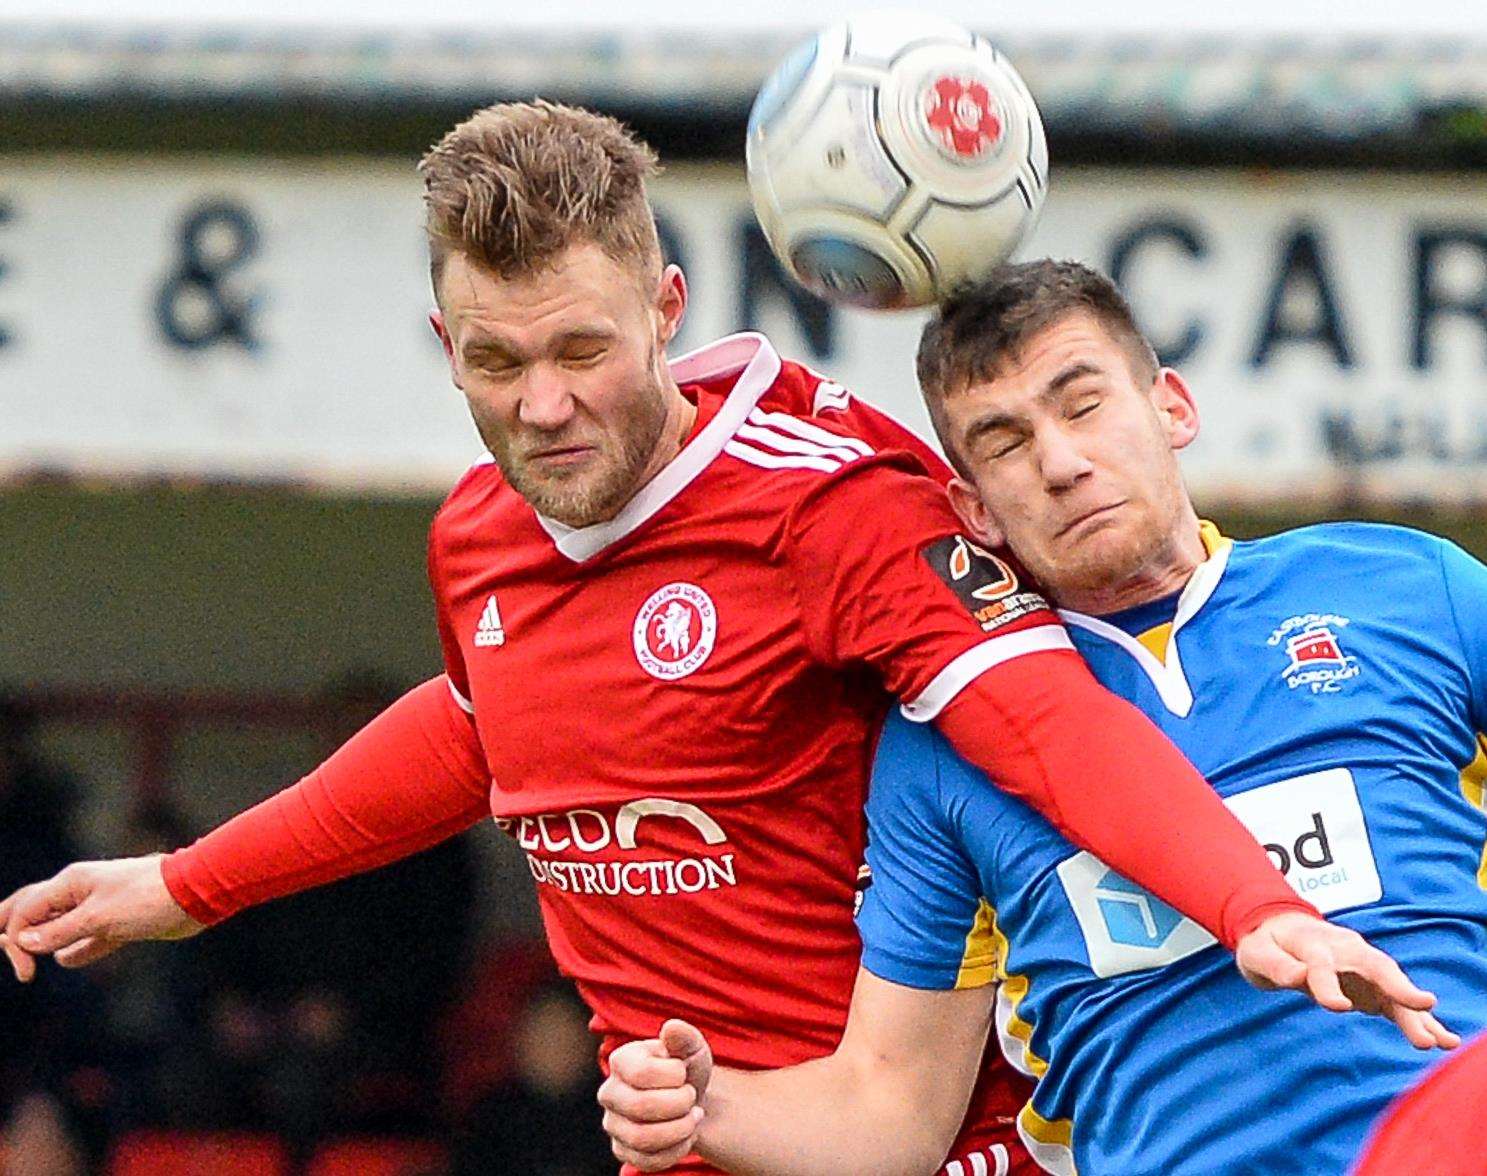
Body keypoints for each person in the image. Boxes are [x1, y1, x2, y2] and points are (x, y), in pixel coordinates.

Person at [0, 108, 1422, 1176]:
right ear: (444, 348)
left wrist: (1249, 905)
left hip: (924, 1144)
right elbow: (485, 728)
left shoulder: (838, 506)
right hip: (685, 1144)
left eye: (580, 351)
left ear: (666, 314)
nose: (541, 405)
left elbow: (1045, 722)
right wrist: (191, 884)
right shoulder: (476, 535)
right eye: (495, 363)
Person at [598, 260, 1487, 1176]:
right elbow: (892, 1111)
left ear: (1171, 408)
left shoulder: (1405, 587)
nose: (1061, 463)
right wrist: (707, 1105)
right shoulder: (943, 745)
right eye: (1005, 440)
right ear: (972, 511)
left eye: (1083, 404)